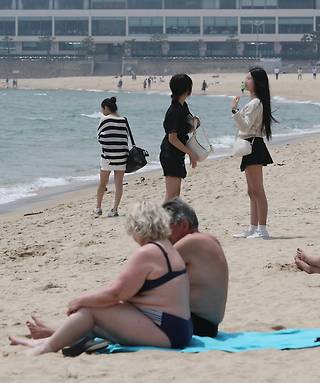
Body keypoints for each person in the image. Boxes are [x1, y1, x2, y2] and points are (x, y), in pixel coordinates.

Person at [10, 201, 193, 355]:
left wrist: (79, 300)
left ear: (138, 226)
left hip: (168, 332)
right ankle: (49, 340)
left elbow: (116, 294)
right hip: (178, 328)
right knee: (93, 313)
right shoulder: (166, 247)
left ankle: (45, 347)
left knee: (89, 310)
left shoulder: (148, 252)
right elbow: (128, 291)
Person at [163, 199, 228, 337]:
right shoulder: (210, 239)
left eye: (166, 228)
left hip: (195, 324)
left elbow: (151, 271)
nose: (164, 236)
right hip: (209, 326)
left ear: (184, 225)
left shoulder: (189, 243)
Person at [231, 66, 276, 239]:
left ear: (257, 82)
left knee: (258, 189)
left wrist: (234, 110)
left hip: (253, 145)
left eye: (249, 78)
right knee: (251, 191)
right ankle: (253, 227)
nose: (246, 81)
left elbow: (245, 126)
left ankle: (262, 229)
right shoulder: (253, 102)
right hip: (249, 145)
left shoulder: (256, 103)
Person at [160, 74, 200, 201]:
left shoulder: (183, 106)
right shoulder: (174, 111)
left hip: (177, 153)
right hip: (170, 153)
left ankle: (169, 220)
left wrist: (195, 124)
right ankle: (164, 220)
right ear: (188, 90)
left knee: (175, 195)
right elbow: (172, 138)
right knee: (172, 196)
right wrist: (191, 153)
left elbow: (188, 128)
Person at [95, 97, 129, 218]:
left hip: (108, 157)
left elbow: (99, 137)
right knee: (119, 185)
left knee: (102, 183)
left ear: (106, 107)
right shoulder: (124, 120)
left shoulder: (104, 120)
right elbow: (125, 139)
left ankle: (98, 208)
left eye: (102, 108)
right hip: (122, 157)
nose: (102, 111)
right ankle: (114, 210)